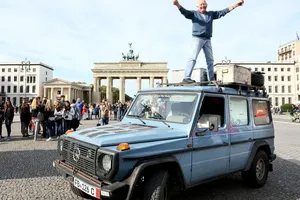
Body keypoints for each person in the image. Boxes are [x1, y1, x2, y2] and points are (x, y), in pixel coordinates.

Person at [173, 0, 244, 83]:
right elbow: (185, 12)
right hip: (197, 38)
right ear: (197, 6)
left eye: (204, 4)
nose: (203, 6)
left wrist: (236, 5)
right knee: (193, 57)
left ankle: (211, 80)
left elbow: (223, 12)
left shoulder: (210, 14)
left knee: (210, 60)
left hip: (207, 39)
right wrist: (177, 4)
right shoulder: (194, 14)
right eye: (201, 4)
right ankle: (186, 77)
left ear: (206, 5)